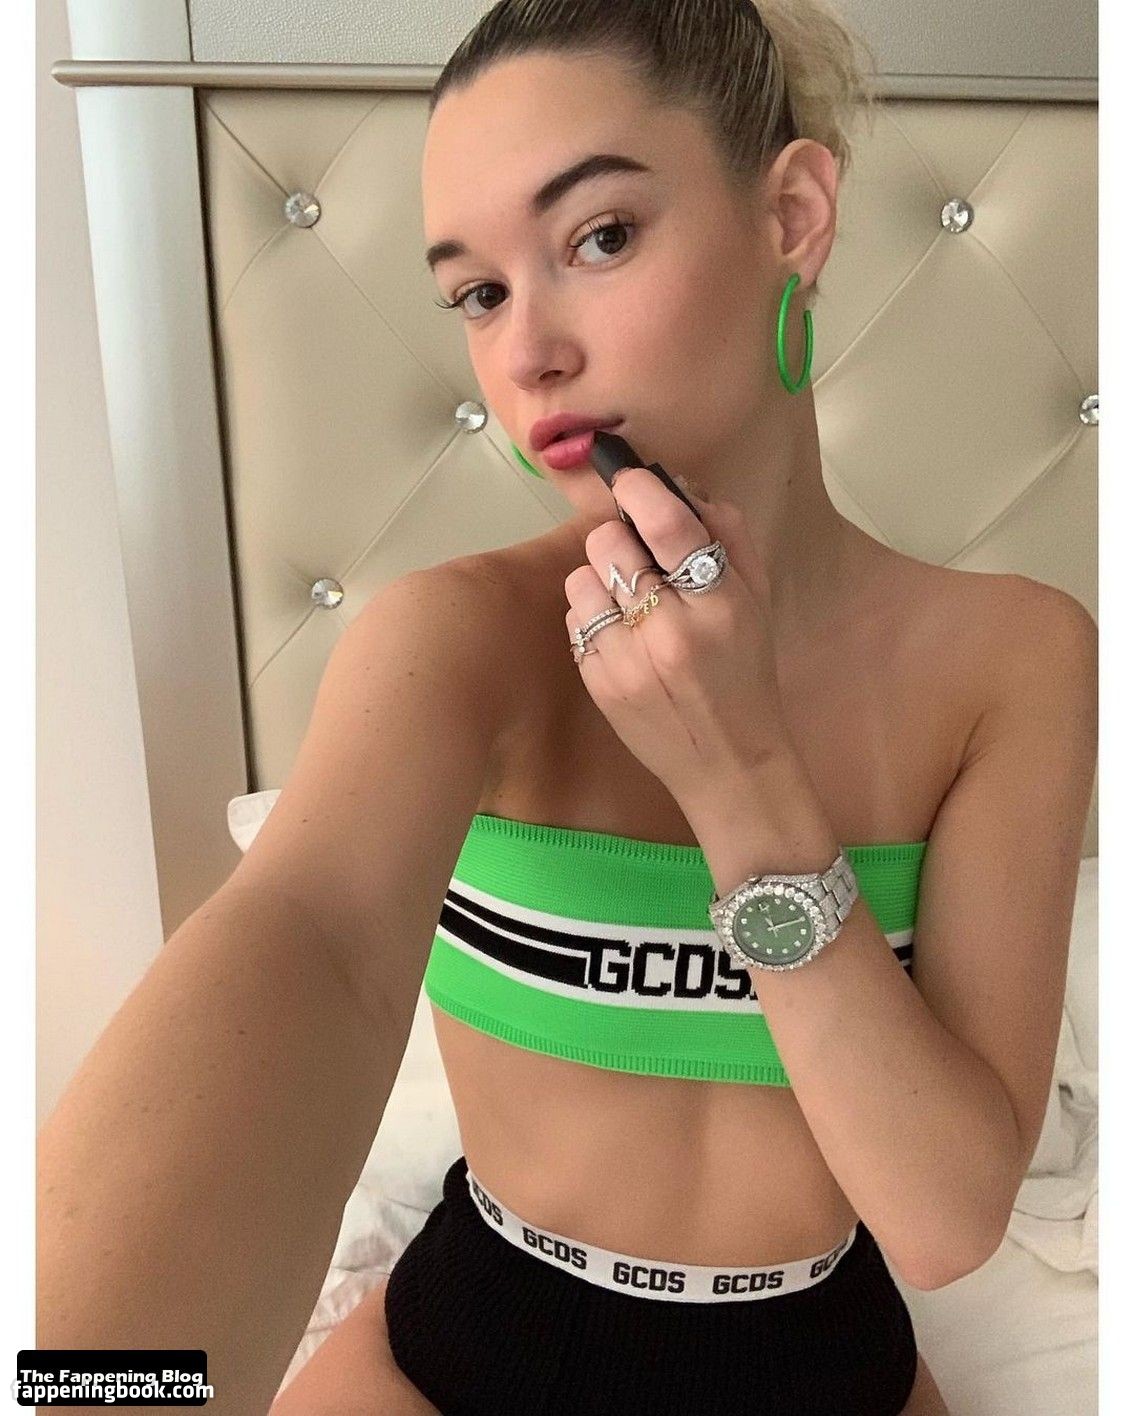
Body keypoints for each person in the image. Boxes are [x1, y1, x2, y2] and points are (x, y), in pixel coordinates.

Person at [39, 2, 1098, 1414]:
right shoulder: (457, 642)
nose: (526, 351)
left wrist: (740, 780)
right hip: (466, 1346)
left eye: (598, 237)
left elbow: (945, 1219)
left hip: (825, 1362)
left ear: (790, 214)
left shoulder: (1012, 658)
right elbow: (310, 946)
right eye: (477, 293)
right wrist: (101, 1392)